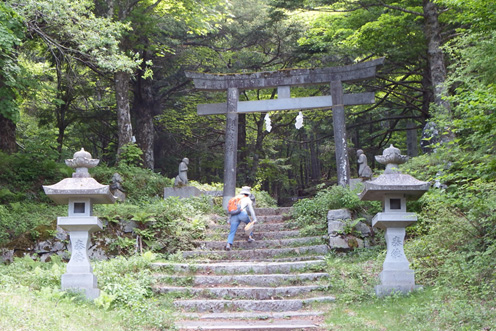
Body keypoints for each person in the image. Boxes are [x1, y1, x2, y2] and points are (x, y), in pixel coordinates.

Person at [225, 186, 257, 251]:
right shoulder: (247, 199)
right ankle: (249, 237)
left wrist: (229, 219)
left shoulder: (236, 198)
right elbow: (251, 210)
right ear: (248, 193)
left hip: (234, 216)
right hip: (242, 214)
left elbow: (232, 209)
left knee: (232, 231)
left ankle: (228, 244)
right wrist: (254, 219)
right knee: (249, 223)